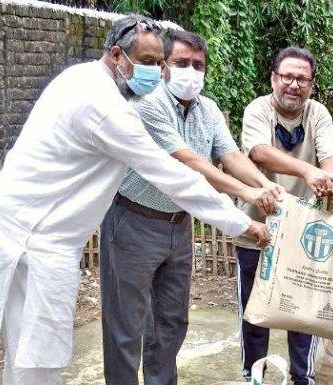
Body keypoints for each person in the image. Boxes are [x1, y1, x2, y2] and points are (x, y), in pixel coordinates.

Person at [0, 16, 270, 385]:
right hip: (32, 234)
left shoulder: (83, 78)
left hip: (25, 223)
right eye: (149, 61)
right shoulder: (104, 107)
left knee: (29, 347)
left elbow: (222, 158)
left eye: (159, 63)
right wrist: (243, 223)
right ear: (117, 54)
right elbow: (172, 174)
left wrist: (256, 191)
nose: (157, 72)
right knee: (42, 350)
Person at [100, 30, 283, 385]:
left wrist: (263, 183)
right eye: (182, 63)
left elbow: (229, 156)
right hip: (133, 221)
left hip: (178, 225)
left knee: (171, 321)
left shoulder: (208, 109)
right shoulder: (148, 105)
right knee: (125, 325)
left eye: (198, 65)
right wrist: (247, 194)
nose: (191, 71)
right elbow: (191, 163)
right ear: (165, 66)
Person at [233, 46, 333, 385]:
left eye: (302, 79)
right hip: (258, 226)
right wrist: (309, 172)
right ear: (273, 78)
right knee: (254, 312)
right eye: (287, 77)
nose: (294, 85)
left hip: (303, 230)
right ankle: (254, 376)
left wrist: (328, 177)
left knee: (304, 309)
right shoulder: (258, 109)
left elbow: (331, 158)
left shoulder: (317, 114)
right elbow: (260, 153)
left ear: (312, 84)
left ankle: (302, 378)